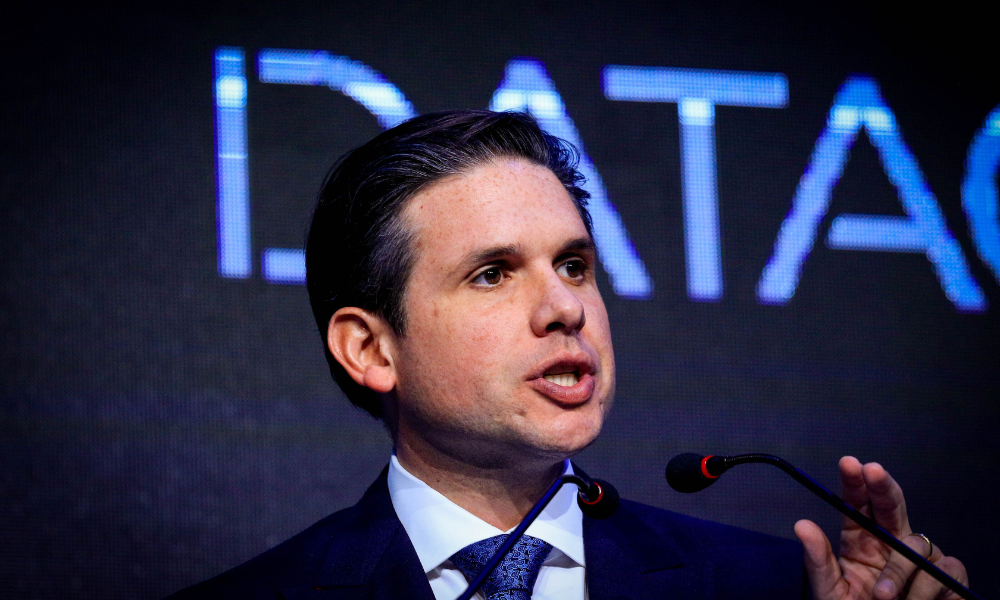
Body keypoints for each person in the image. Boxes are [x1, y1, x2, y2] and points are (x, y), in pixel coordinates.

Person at [170, 110, 968, 599]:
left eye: (575, 264)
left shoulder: (774, 588)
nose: (565, 308)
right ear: (371, 349)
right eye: (493, 273)